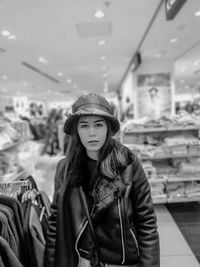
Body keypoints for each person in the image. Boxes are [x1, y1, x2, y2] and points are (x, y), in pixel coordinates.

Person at [44, 93, 160, 267]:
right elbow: (55, 221)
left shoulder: (127, 164)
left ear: (108, 128)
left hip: (121, 261)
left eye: (99, 125)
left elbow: (146, 221)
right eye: (84, 126)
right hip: (81, 261)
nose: (92, 133)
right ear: (76, 130)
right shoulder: (65, 168)